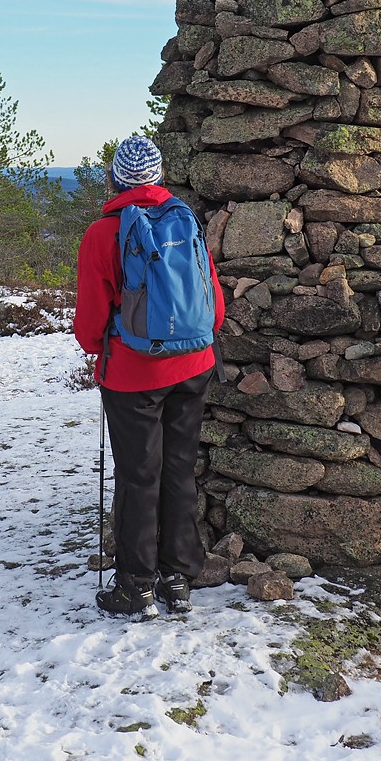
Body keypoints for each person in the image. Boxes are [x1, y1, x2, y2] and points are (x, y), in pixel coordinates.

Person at [73, 135, 225, 618]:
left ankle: (135, 587)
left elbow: (89, 325)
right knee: (179, 469)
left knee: (139, 476)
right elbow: (213, 302)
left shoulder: (103, 234)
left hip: (133, 374)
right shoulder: (184, 219)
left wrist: (102, 348)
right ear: (159, 177)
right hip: (194, 365)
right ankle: (177, 579)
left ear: (115, 179)